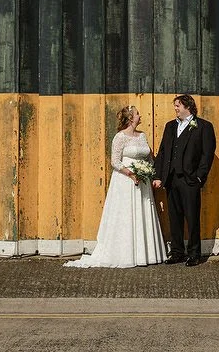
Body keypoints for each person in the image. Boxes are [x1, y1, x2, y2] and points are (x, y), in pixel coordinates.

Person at [64, 105, 166, 268]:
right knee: (125, 214)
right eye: (137, 114)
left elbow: (149, 159)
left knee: (142, 212)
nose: (140, 116)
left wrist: (150, 173)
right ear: (131, 118)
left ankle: (144, 253)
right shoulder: (120, 137)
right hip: (125, 182)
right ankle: (124, 253)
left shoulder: (142, 136)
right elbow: (115, 161)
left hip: (143, 182)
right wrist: (131, 174)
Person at [152, 94, 215, 266]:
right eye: (175, 106)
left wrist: (199, 177)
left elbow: (207, 155)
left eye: (178, 105)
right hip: (171, 179)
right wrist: (158, 175)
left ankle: (194, 253)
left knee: (192, 218)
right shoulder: (170, 126)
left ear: (188, 106)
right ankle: (177, 252)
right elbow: (163, 152)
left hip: (190, 180)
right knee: (175, 218)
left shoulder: (203, 126)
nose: (175, 109)